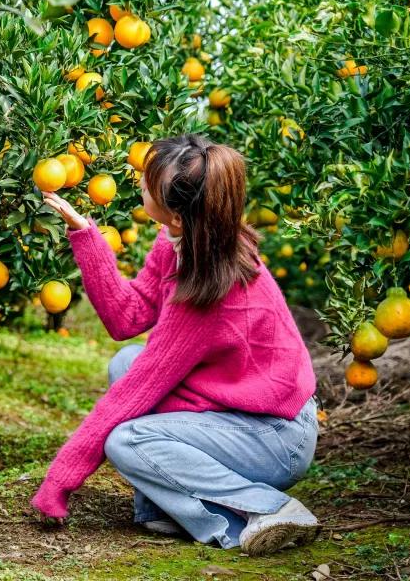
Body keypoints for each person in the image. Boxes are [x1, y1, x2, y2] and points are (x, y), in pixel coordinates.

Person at [31, 133, 320, 555]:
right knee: (126, 361)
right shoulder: (187, 241)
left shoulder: (211, 289)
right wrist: (85, 235)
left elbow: (135, 393)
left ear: (180, 214)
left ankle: (264, 511)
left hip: (275, 436)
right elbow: (126, 318)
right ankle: (166, 508)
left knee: (127, 439)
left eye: (148, 184)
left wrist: (59, 481)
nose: (140, 185)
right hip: (235, 411)